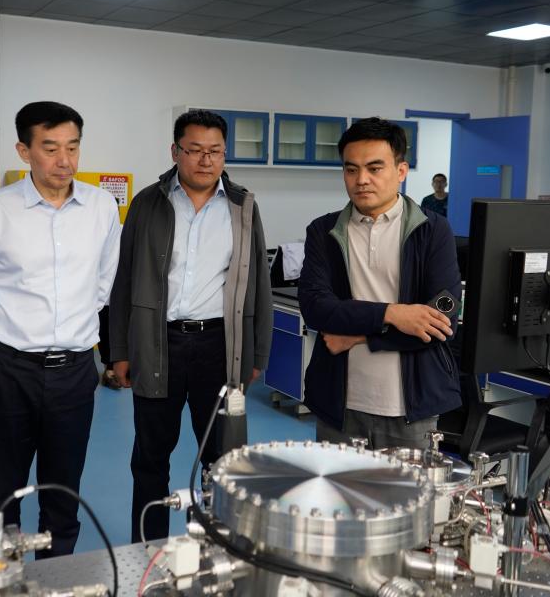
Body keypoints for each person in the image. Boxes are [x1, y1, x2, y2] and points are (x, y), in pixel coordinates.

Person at [0, 101, 120, 557]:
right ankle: (3, 573)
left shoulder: (102, 208)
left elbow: (103, 283)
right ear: (24, 151)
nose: (64, 160)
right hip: (7, 368)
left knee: (63, 488)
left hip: (74, 370)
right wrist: (13, 334)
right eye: (50, 148)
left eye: (73, 147)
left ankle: (56, 576)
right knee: (3, 487)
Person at [109, 109, 272, 543]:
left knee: (222, 458)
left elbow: (258, 282)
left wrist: (257, 352)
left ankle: (215, 549)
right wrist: (118, 350)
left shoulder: (242, 206)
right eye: (195, 150)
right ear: (175, 151)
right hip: (157, 343)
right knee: (150, 458)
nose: (206, 160)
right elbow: (124, 280)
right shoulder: (148, 203)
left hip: (219, 347)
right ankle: (148, 551)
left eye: (215, 151)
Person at [298, 117, 461, 449]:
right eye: (351, 169)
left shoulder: (433, 231)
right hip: (339, 406)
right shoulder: (323, 231)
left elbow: (441, 323)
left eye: (374, 168)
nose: (362, 180)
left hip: (411, 410)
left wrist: (360, 336)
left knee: (407, 488)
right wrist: (393, 313)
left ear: (401, 171)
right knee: (337, 486)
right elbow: (316, 308)